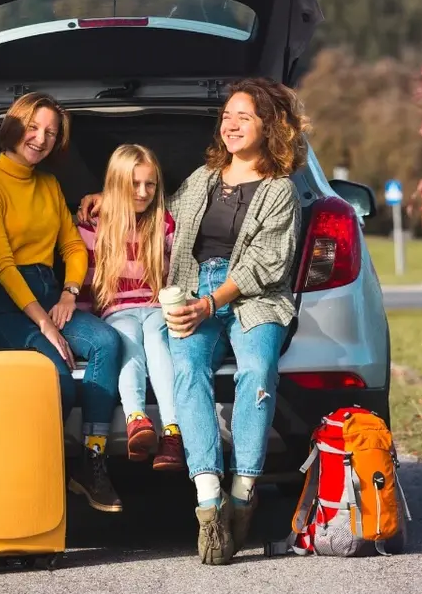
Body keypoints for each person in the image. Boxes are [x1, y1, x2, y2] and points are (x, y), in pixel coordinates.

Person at [78, 77, 308, 565]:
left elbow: (265, 264)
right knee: (187, 370)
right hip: (191, 289)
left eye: (243, 116)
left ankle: (244, 491)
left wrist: (212, 302)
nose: (231, 124)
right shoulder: (204, 178)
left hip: (255, 299)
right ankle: (209, 504)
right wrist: (106, 197)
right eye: (226, 116)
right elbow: (155, 209)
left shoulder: (280, 191)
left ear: (269, 125)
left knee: (257, 371)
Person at [0, 91, 125, 513]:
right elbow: (0, 263)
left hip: (49, 290)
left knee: (107, 343)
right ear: (15, 126)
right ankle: (38, 476)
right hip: (4, 300)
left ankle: (91, 462)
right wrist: (44, 323)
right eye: (34, 127)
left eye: (51, 133)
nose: (40, 138)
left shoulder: (50, 184)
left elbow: (73, 247)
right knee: (55, 378)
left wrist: (69, 293)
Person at [75, 144, 184, 473]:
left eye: (150, 184)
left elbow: (179, 271)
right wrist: (81, 321)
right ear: (116, 184)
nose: (142, 192)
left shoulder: (163, 223)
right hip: (116, 309)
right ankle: (137, 418)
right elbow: (87, 280)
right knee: (126, 338)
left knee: (155, 336)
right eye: (133, 184)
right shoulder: (94, 226)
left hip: (155, 304)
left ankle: (172, 431)